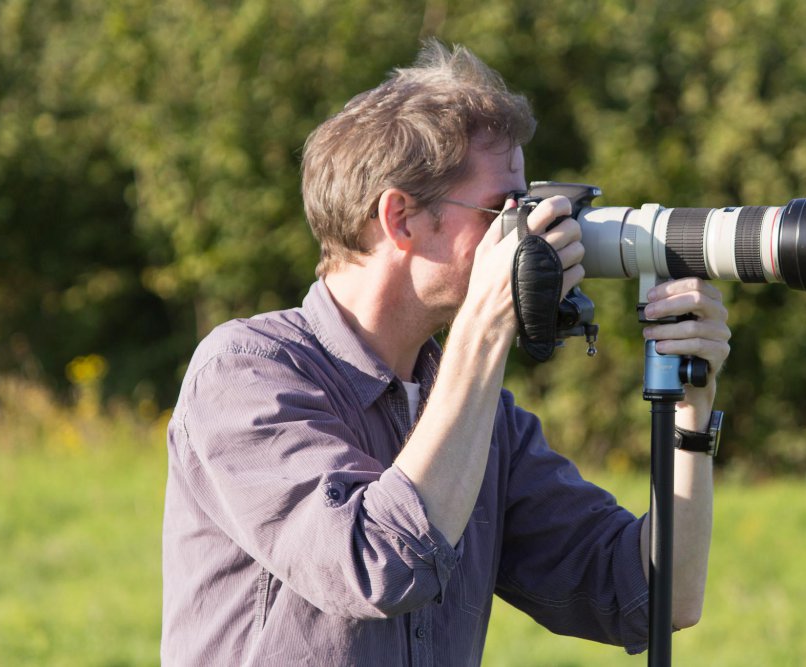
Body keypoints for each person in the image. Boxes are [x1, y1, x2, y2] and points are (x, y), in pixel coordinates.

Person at [161, 40, 730, 666]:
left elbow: (653, 597)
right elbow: (377, 563)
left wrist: (690, 417)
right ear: (401, 217)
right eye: (502, 210)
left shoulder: (483, 419)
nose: (526, 232)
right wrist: (486, 330)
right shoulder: (246, 371)